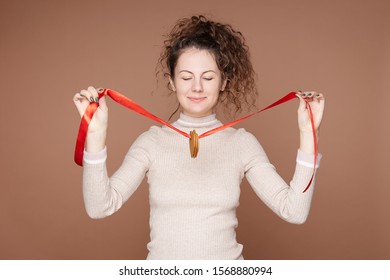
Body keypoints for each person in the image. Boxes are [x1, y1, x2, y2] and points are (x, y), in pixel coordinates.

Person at [73, 15, 325, 260]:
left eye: (207, 77)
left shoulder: (242, 143)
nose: (197, 87)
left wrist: (308, 133)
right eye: (186, 77)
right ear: (172, 82)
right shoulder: (151, 143)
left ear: (223, 82)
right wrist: (95, 137)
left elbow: (294, 211)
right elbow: (99, 207)